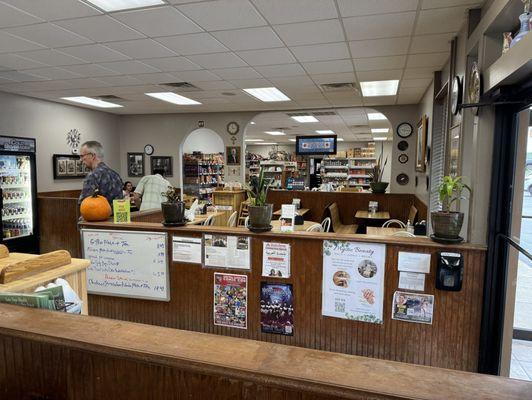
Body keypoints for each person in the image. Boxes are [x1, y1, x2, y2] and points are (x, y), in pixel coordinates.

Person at [78, 141, 123, 207]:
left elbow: (84, 204)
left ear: (92, 156)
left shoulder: (93, 176)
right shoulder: (116, 175)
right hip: (116, 216)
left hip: (98, 216)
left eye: (82, 156)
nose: (80, 160)